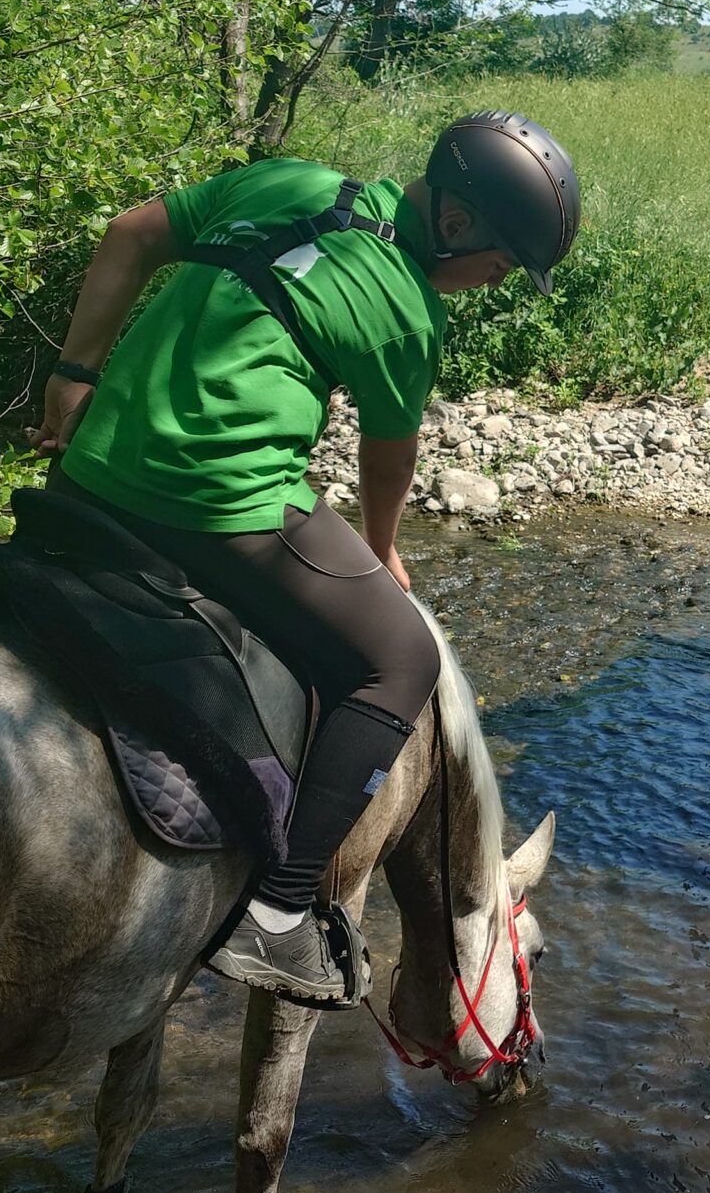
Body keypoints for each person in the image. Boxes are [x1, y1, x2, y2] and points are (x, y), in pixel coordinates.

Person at [31, 111, 580, 1006]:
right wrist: (383, 552)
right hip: (213, 502)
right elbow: (387, 460)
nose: (491, 284)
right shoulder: (407, 308)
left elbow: (131, 232)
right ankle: (279, 914)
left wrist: (76, 371)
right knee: (402, 659)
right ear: (455, 227)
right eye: (500, 266)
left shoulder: (282, 181)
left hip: (90, 471)